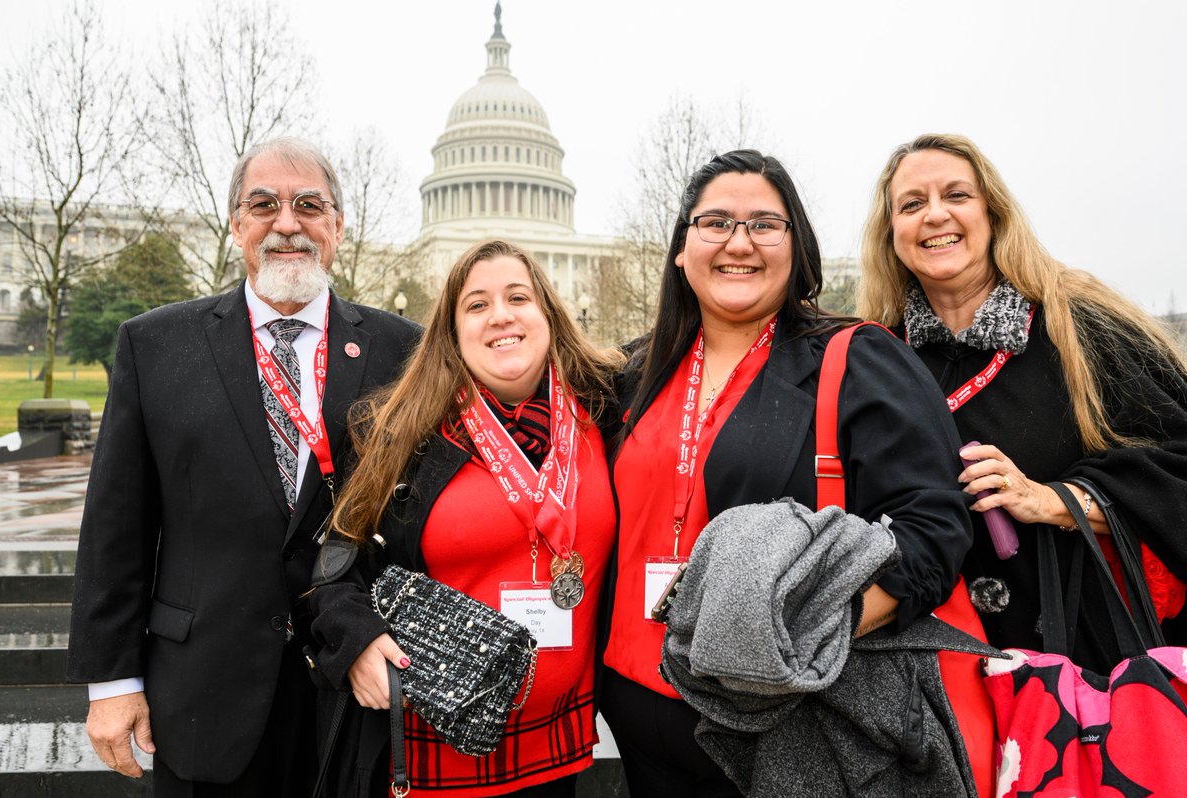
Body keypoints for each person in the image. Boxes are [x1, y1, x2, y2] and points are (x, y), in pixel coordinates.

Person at [600, 149, 974, 796]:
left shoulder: (856, 362)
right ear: (681, 250)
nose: (738, 242)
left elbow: (933, 533)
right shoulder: (633, 376)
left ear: (796, 248)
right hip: (634, 712)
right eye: (715, 222)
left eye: (764, 224)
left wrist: (797, 637)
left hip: (783, 719)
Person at [66, 137, 420, 796]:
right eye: (264, 206)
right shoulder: (155, 345)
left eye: (309, 206)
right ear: (236, 225)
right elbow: (118, 525)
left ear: (338, 227)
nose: (287, 224)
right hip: (204, 689)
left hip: (351, 691)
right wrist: (112, 682)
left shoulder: (403, 351)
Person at [858, 133, 1187, 674]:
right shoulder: (878, 359)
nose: (935, 215)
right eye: (912, 204)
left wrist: (1050, 499)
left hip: (1086, 670)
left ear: (993, 213)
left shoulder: (1080, 325)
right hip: (937, 675)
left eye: (957, 195)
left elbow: (1177, 469)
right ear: (891, 234)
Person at [307, 239, 622, 797]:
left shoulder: (604, 414)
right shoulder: (405, 434)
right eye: (476, 305)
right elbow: (336, 563)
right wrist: (354, 639)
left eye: (518, 297)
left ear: (547, 313)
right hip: (434, 748)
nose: (501, 315)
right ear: (452, 332)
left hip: (560, 749)